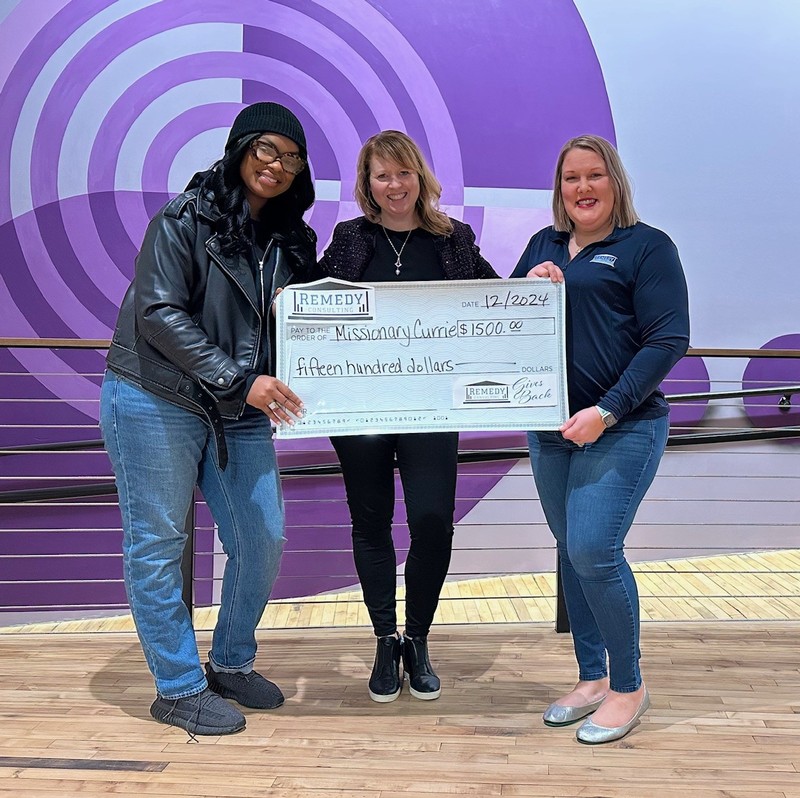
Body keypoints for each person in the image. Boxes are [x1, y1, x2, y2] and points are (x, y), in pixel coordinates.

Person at [100, 102, 318, 735]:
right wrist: (238, 379)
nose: (277, 165)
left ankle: (230, 661)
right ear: (240, 149)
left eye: (291, 155)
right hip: (154, 396)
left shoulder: (290, 240)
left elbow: (305, 321)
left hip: (238, 407)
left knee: (263, 536)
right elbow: (159, 314)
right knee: (159, 543)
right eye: (266, 150)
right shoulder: (183, 218)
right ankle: (177, 686)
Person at [510, 135, 689, 744]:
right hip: (550, 431)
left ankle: (628, 684)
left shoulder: (647, 247)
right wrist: (530, 284)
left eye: (595, 176)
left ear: (615, 182)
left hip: (623, 427)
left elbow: (667, 340)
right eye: (571, 179)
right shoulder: (543, 244)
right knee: (570, 550)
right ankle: (590, 678)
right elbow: (503, 317)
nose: (583, 189)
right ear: (559, 190)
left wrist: (607, 411)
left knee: (592, 549)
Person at [319, 130, 498, 702]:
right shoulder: (351, 239)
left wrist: (539, 283)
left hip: (432, 408)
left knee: (430, 521)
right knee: (370, 523)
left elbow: (497, 301)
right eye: (381, 175)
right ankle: (382, 639)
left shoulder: (454, 240)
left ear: (420, 176)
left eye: (403, 173)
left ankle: (416, 637)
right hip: (361, 411)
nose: (394, 185)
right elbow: (312, 304)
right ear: (367, 184)